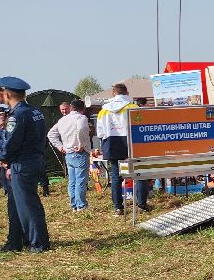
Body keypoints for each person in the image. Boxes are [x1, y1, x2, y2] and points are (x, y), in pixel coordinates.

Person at [0, 77, 51, 252]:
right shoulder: (34, 111)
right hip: (34, 160)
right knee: (23, 203)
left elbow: (12, 143)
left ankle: (39, 243)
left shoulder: (18, 115)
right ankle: (23, 240)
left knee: (27, 205)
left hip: (22, 164)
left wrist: (1, 157)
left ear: (7, 94)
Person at [96, 84, 150, 213]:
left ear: (113, 94)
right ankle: (141, 205)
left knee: (116, 177)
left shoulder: (103, 111)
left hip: (111, 144)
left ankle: (118, 207)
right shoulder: (134, 107)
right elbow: (142, 128)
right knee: (139, 174)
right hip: (132, 143)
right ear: (127, 93)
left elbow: (100, 133)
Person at [49, 97, 94, 211]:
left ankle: (74, 204)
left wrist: (60, 146)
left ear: (71, 107)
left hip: (68, 153)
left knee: (72, 181)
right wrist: (82, 144)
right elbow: (82, 129)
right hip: (79, 152)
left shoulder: (62, 120)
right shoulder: (81, 117)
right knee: (81, 181)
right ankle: (81, 205)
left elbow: (51, 134)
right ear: (82, 109)